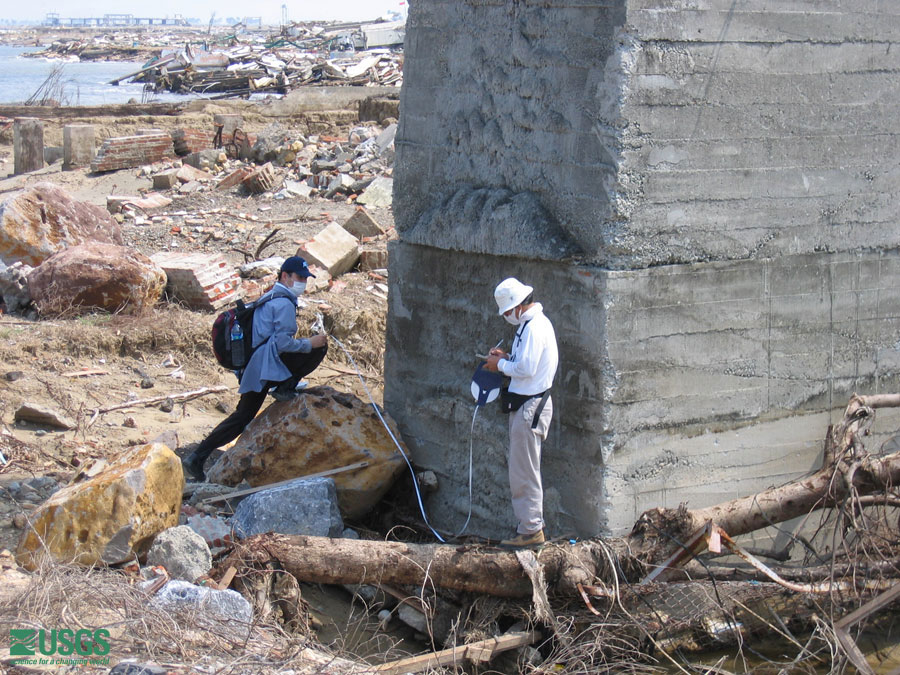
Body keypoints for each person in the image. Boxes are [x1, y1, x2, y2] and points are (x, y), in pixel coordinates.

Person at [182, 256, 328, 482]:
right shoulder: (284, 303)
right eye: (299, 277)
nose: (302, 282)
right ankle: (284, 387)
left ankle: (197, 457)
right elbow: (283, 344)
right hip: (266, 366)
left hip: (255, 366)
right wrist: (311, 343)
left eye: (305, 279)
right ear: (285, 277)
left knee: (242, 417)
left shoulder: (271, 296)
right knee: (319, 348)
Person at [485, 277, 558, 548]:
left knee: (524, 471)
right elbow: (525, 363)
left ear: (516, 307)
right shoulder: (529, 326)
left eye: (506, 312)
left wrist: (501, 364)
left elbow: (526, 369)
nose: (506, 317)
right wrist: (504, 357)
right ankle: (528, 528)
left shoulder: (535, 328)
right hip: (527, 405)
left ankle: (531, 531)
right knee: (522, 469)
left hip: (531, 407)